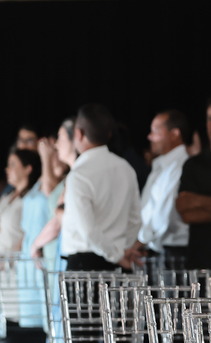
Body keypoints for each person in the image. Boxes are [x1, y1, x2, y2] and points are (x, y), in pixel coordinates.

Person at [60, 104, 142, 272]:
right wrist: (121, 250)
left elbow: (88, 231)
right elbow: (135, 219)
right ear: (109, 134)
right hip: (119, 260)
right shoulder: (125, 168)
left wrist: (116, 255)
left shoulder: (79, 174)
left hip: (85, 266)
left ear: (78, 133)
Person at [131, 110, 191, 264]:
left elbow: (163, 215)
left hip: (173, 251)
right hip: (159, 248)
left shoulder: (179, 166)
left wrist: (141, 240)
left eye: (156, 131)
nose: (150, 137)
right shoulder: (164, 166)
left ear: (175, 133)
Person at [30, 118, 77, 270]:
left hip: (64, 247)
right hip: (55, 247)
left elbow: (60, 218)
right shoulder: (71, 176)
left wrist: (36, 244)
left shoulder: (75, 176)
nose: (56, 145)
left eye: (60, 138)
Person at [176, 98, 211, 270]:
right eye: (209, 118)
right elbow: (185, 212)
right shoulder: (193, 164)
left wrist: (198, 201)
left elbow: (191, 207)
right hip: (201, 263)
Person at [0, 148, 41, 253]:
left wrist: (11, 257)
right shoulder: (5, 196)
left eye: (12, 164)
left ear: (27, 169)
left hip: (16, 259)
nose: (7, 169)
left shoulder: (31, 199)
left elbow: (29, 232)